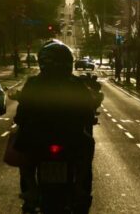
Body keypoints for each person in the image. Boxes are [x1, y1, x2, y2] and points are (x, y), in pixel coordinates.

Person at [14, 40, 99, 213]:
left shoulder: (33, 83)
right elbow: (87, 113)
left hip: (38, 139)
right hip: (71, 139)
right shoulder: (76, 84)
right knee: (88, 146)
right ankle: (80, 187)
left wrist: (22, 121)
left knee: (21, 149)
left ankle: (30, 188)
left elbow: (21, 115)